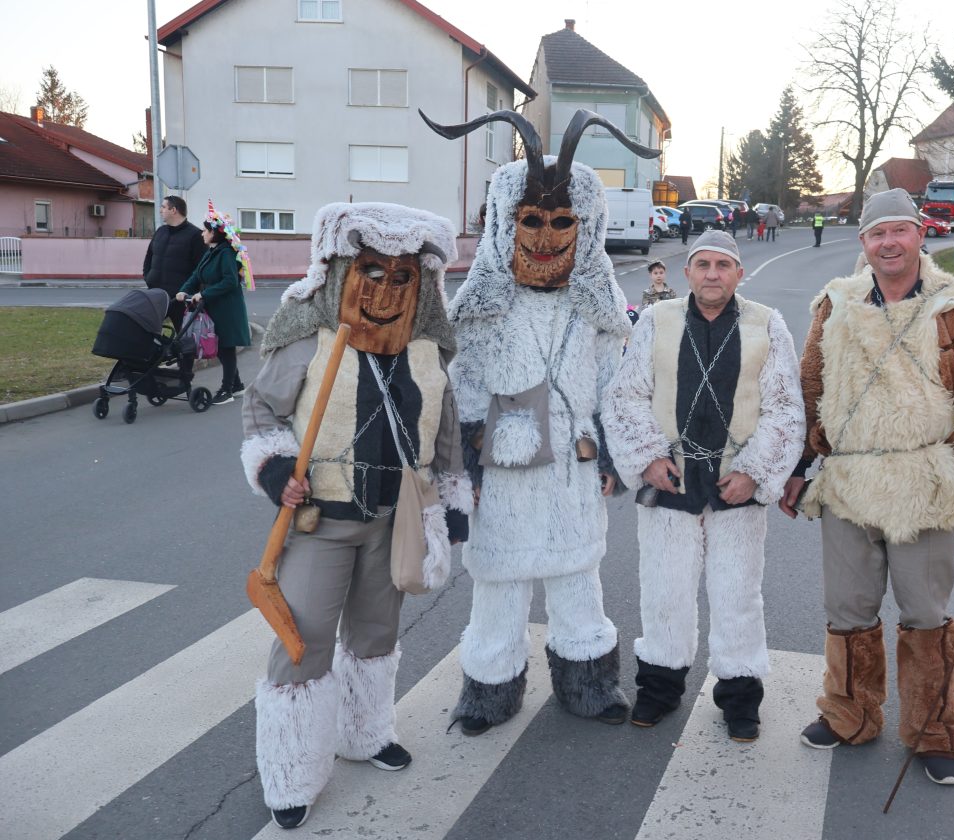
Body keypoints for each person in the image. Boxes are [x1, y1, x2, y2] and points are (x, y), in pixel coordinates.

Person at [780, 188, 954, 787]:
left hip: (924, 481)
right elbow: (810, 388)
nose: (888, 242)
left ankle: (934, 731)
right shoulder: (834, 305)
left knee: (925, 613)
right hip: (847, 478)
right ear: (863, 243)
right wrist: (797, 467)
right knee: (847, 609)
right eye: (877, 234)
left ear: (920, 235)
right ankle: (849, 713)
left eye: (899, 230)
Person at [420, 107, 661, 736]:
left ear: (586, 226)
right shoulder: (481, 309)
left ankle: (588, 681)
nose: (546, 236)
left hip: (573, 466)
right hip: (503, 465)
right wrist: (464, 466)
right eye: (531, 219)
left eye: (561, 221)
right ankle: (489, 688)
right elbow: (460, 387)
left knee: (577, 575)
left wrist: (611, 456)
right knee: (498, 581)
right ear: (506, 223)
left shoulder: (596, 308)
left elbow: (617, 385)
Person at [240, 202, 471, 830]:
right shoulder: (310, 338)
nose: (386, 289)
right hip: (320, 521)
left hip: (394, 525)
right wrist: (274, 469)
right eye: (372, 270)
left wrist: (452, 515)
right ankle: (291, 775)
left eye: (403, 277)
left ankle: (365, 736)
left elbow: (444, 441)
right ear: (343, 268)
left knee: (374, 638)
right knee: (303, 643)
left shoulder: (429, 351)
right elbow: (260, 411)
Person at [603, 230, 804, 742]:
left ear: (738, 273)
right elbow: (627, 395)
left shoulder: (767, 324)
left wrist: (756, 472)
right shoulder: (655, 320)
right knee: (664, 592)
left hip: (736, 482)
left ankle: (739, 697)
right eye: (703, 264)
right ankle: (660, 688)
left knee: (738, 593)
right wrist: (647, 458)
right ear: (687, 272)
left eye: (723, 265)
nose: (713, 273)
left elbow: (784, 406)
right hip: (670, 481)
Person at [175, 201, 252, 404]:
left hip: (227, 308)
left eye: (205, 230)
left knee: (226, 347)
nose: (202, 234)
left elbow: (230, 281)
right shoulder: (211, 251)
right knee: (222, 347)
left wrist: (205, 294)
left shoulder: (226, 252)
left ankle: (226, 391)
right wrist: (184, 290)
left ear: (214, 233)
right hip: (214, 306)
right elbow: (196, 275)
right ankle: (236, 385)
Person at [143, 195, 205, 383]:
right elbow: (149, 257)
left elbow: (200, 268)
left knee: (185, 337)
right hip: (156, 294)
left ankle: (185, 374)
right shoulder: (160, 231)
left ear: (174, 210)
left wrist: (193, 293)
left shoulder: (195, 235)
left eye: (163, 207)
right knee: (146, 330)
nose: (160, 210)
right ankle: (146, 367)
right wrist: (148, 277)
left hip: (180, 297)